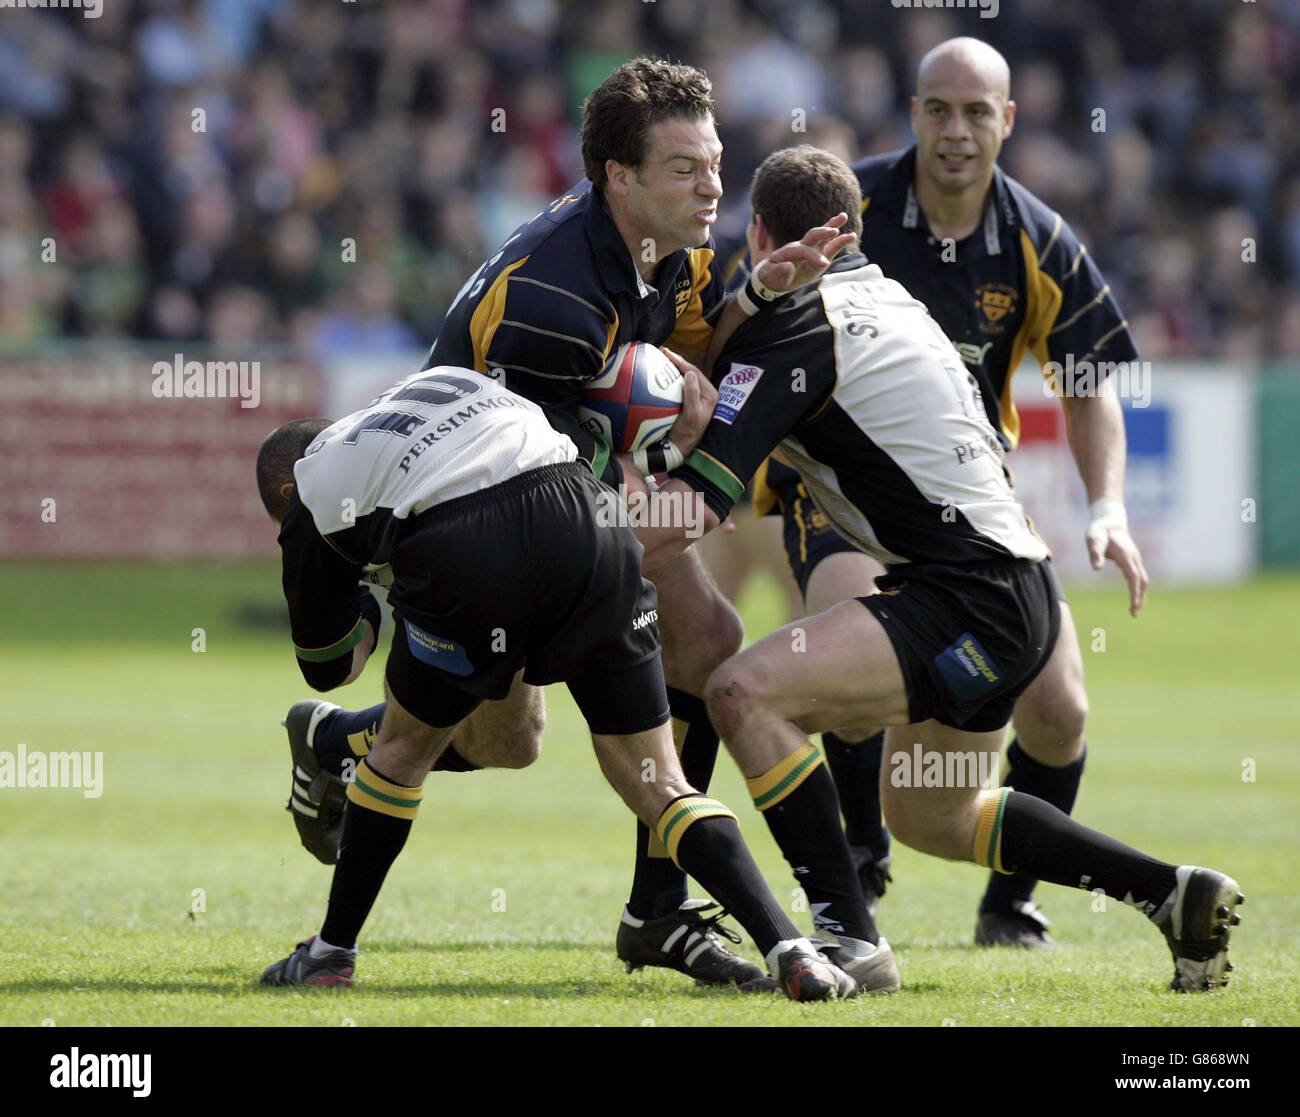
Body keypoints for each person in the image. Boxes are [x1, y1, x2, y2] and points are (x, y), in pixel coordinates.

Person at [278, 57, 851, 988]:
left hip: (566, 480)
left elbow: (685, 357)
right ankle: (342, 740)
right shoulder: (551, 302)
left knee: (706, 637)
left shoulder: (687, 245)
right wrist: (661, 484)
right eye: (684, 169)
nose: (713, 186)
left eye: (713, 163)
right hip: (483, 503)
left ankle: (657, 912)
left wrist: (755, 298)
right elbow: (520, 479)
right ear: (619, 179)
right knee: (512, 738)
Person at [630, 145, 1242, 995]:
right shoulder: (891, 298)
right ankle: (1169, 891)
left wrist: (573, 534)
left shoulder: (800, 332)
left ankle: (848, 935)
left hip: (962, 598)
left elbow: (692, 510)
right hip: (1022, 592)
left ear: (761, 233)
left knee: (744, 691)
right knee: (934, 810)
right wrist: (754, 296)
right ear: (853, 228)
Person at [254, 366, 858, 1002]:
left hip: (466, 546)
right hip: (590, 522)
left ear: (284, 496)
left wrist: (370, 595)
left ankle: (329, 955)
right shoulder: (443, 380)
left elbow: (330, 666)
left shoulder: (313, 481)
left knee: (401, 751)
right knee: (659, 782)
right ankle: (791, 949)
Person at [731, 37, 1150, 947]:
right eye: (936, 109)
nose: (954, 131)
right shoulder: (849, 208)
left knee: (1062, 707)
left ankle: (1011, 900)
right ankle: (860, 872)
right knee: (843, 630)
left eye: (974, 112)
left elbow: (1088, 382)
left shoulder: (1038, 237)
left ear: (1007, 119)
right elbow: (747, 299)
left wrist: (1107, 504)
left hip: (971, 496)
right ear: (913, 114)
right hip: (840, 493)